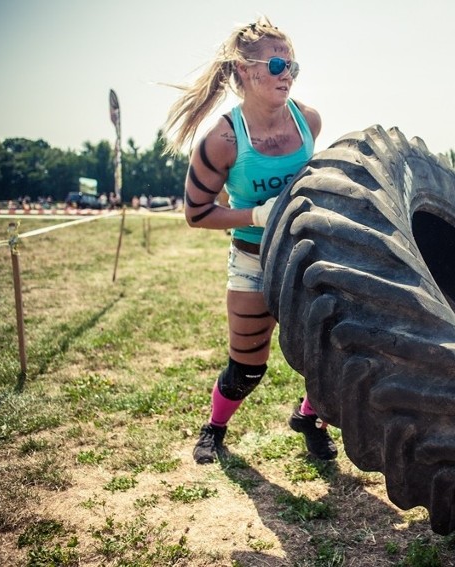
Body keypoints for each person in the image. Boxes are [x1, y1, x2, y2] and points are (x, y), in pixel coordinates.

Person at [163, 16, 337, 464]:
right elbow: (196, 213)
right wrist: (256, 214)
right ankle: (214, 428)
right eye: (277, 64)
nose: (287, 75)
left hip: (306, 254)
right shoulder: (222, 140)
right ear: (244, 70)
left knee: (331, 352)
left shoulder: (309, 120)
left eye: (292, 66)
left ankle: (309, 418)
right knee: (248, 369)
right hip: (251, 259)